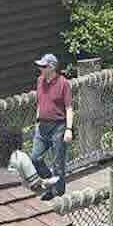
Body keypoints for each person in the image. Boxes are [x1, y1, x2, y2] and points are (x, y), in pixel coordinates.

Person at [31, 53, 73, 199]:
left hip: (58, 127)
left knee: (58, 162)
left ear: (52, 67)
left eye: (43, 66)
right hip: (42, 126)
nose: (40, 68)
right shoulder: (40, 81)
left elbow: (68, 108)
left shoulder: (64, 83)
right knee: (35, 158)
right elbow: (39, 102)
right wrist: (37, 120)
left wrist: (69, 129)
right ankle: (50, 181)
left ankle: (58, 193)